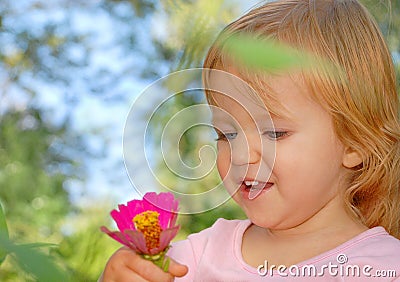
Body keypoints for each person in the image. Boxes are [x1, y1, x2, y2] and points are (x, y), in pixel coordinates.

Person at [99, 0, 400, 280]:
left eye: (274, 133)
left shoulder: (385, 267)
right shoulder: (195, 256)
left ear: (356, 142)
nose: (241, 155)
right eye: (226, 134)